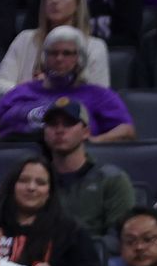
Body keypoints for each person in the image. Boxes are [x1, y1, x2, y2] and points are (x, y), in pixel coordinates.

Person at [0, 27, 135, 144]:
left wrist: (92, 143)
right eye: (53, 53)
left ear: (80, 59)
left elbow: (127, 131)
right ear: (44, 58)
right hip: (17, 160)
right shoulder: (21, 91)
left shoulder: (98, 95)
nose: (59, 58)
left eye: (67, 53)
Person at [0, 156, 104, 266]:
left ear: (50, 192)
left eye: (40, 183)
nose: (31, 187)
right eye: (24, 180)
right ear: (12, 185)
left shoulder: (70, 231)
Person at [0, 0, 113, 93]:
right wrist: (31, 90)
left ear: (77, 3)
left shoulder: (95, 47)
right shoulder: (25, 39)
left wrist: (49, 90)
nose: (54, 0)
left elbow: (99, 96)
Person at [41, 100, 136, 239]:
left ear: (86, 132)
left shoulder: (112, 179)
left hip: (97, 256)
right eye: (53, 124)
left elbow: (121, 236)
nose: (59, 130)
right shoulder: (35, 180)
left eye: (68, 123)